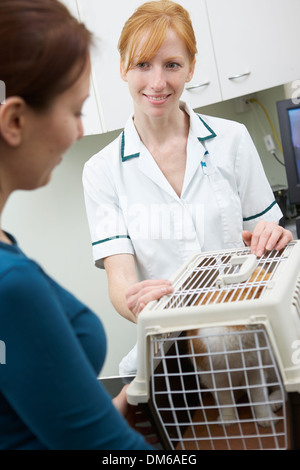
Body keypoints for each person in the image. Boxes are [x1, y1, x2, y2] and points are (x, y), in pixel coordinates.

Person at [82, 0, 293, 376]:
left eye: (172, 65)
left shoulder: (233, 140)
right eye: (143, 65)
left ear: (191, 68)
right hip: (173, 350)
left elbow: (270, 237)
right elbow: (121, 281)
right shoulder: (101, 171)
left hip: (250, 338)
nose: (158, 82)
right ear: (122, 68)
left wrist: (274, 237)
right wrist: (137, 303)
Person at [0, 0, 153, 450]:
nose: (82, 130)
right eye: (76, 110)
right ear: (14, 120)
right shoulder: (11, 286)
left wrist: (108, 408)